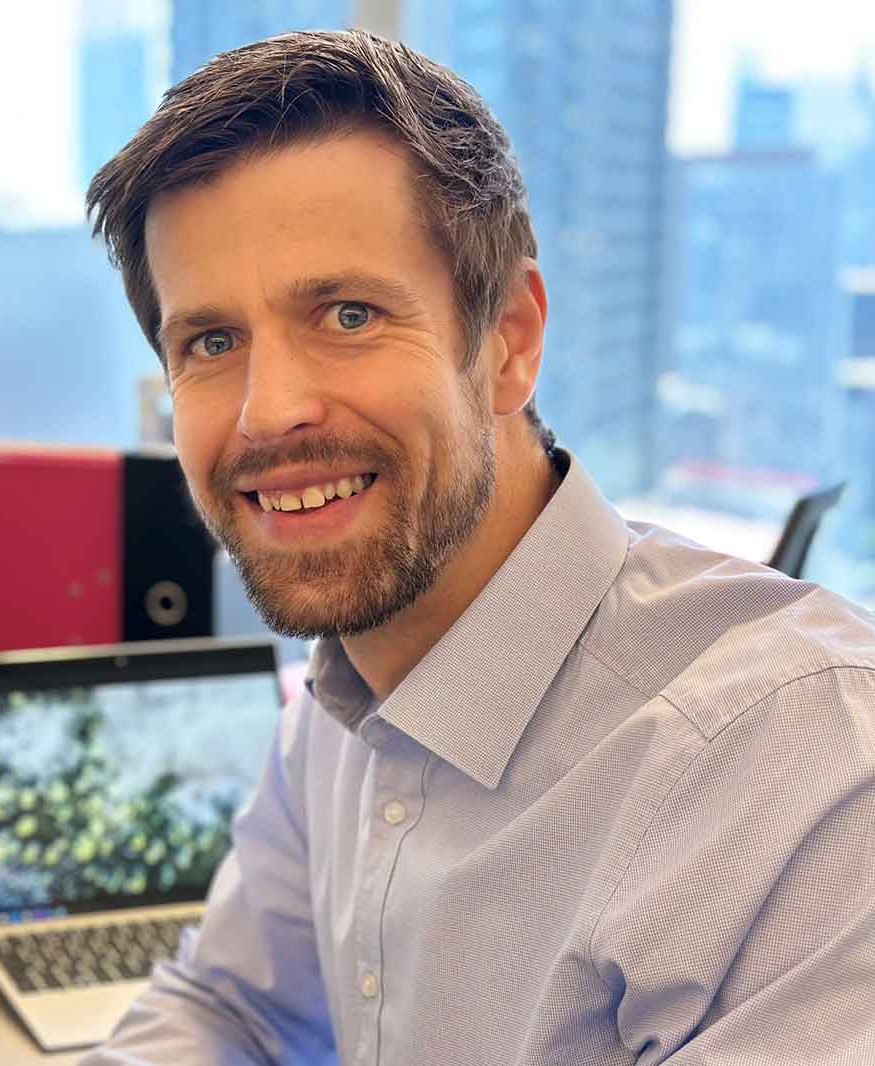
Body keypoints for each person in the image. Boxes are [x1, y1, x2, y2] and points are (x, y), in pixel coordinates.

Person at [81, 29, 875, 1066]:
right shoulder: (339, 702)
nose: (266, 413)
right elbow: (233, 1010)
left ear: (508, 340)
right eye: (211, 342)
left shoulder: (797, 770)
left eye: (348, 313)